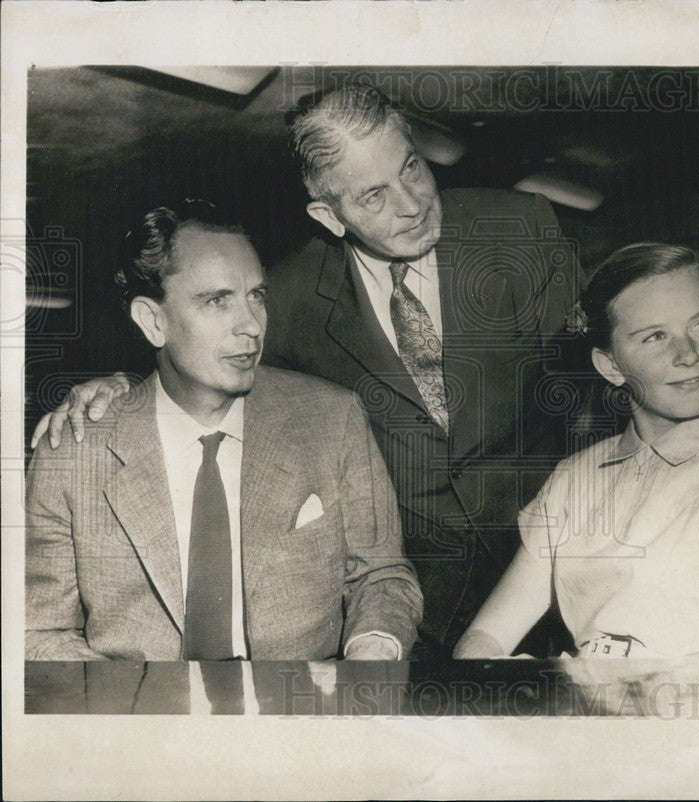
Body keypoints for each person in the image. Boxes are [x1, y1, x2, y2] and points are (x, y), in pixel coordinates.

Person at [31, 83, 582, 658]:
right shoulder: (286, 299)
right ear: (329, 213)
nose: (412, 202)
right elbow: (207, 370)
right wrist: (115, 388)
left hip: (556, 567)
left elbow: (598, 385)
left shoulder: (522, 229)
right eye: (373, 196)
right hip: (417, 608)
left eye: (412, 168)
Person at [26, 201, 422, 661]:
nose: (252, 326)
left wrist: (368, 656)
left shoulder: (333, 420)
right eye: (217, 301)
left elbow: (382, 576)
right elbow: (39, 630)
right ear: (152, 321)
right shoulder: (72, 455)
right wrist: (134, 712)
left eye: (257, 295)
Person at [454, 244, 699, 661]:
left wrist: (604, 690)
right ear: (610, 366)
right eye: (656, 336)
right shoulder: (574, 478)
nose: (689, 354)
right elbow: (484, 638)